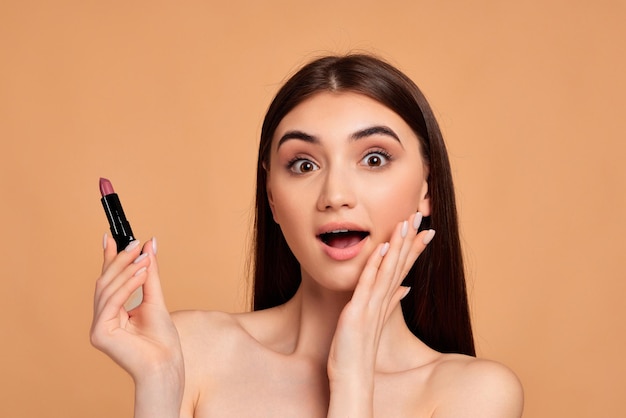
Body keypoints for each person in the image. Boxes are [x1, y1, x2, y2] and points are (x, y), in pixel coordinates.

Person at [90, 53, 524, 417]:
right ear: (272, 198)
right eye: (303, 164)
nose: (335, 195)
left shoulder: (474, 394)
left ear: (427, 188)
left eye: (374, 158)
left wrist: (353, 375)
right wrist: (159, 383)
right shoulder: (192, 350)